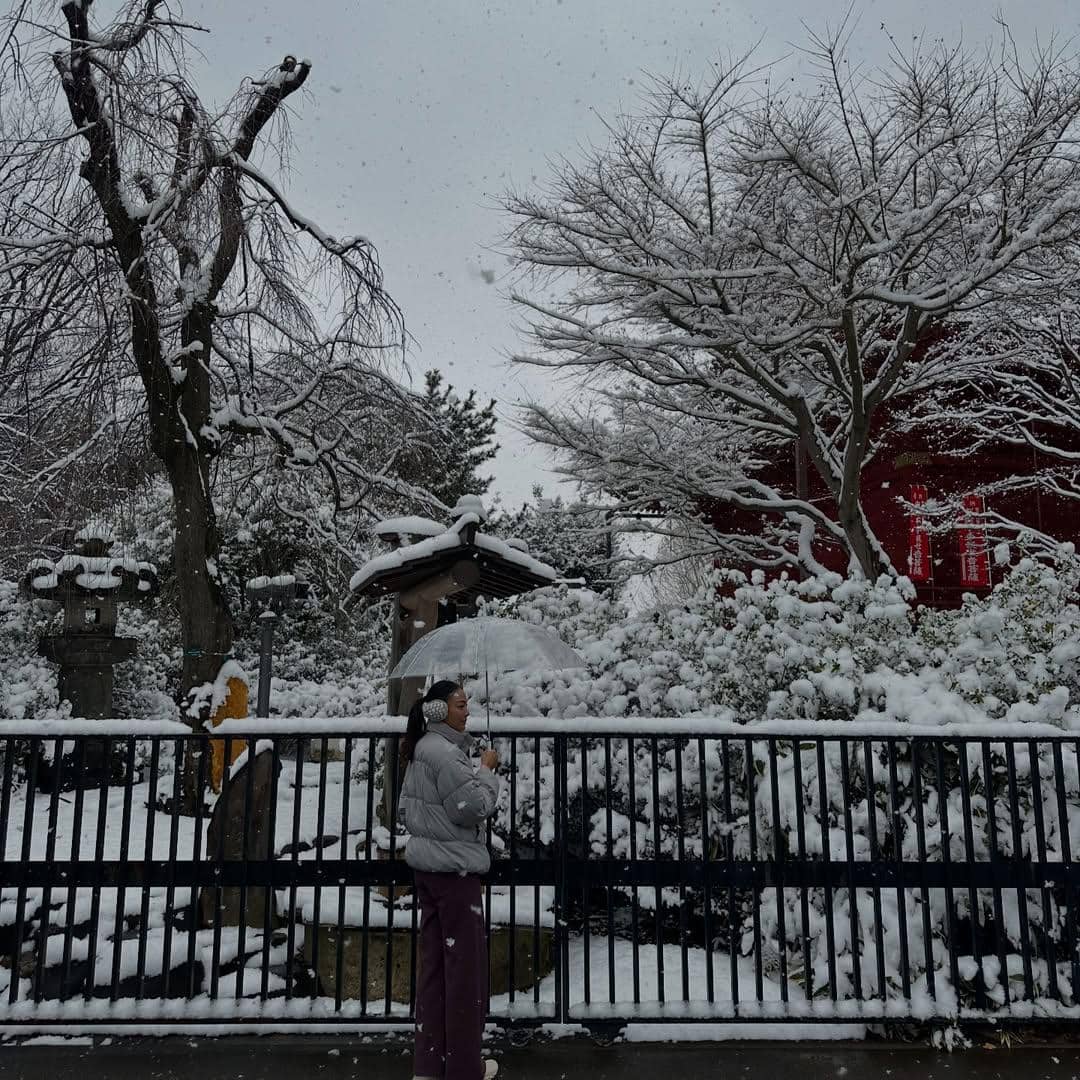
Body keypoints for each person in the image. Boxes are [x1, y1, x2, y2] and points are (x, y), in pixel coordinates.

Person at [398, 680, 501, 1080]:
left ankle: (429, 1064)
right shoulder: (445, 755)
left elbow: (407, 809)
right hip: (456, 876)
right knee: (465, 975)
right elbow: (472, 807)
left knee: (435, 971)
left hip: (428, 873)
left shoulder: (421, 750)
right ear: (439, 711)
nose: (468, 711)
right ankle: (463, 1068)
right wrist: (487, 772)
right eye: (460, 705)